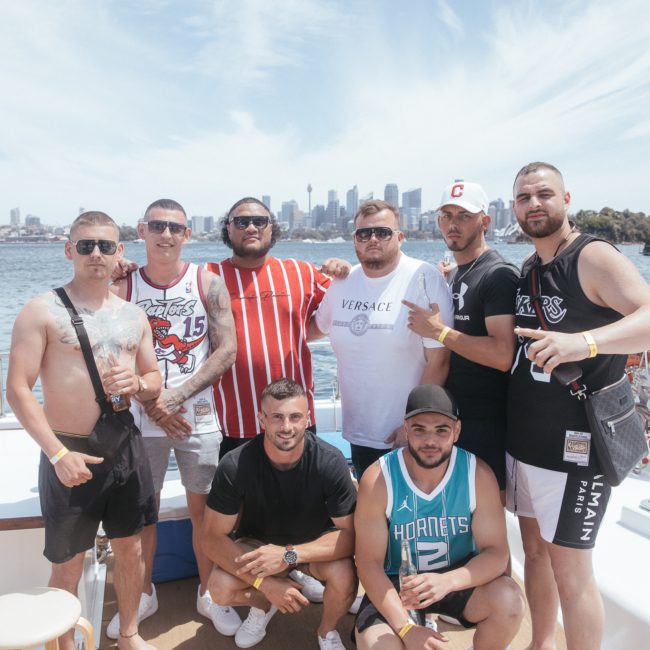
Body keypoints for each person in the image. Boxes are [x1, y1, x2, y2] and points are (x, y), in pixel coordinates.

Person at [507, 162, 650, 650]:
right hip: (527, 445)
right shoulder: (531, 267)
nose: (534, 204)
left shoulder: (591, 256)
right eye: (524, 197)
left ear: (567, 199)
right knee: (535, 554)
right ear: (514, 209)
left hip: (578, 450)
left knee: (572, 571)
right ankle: (541, 643)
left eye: (544, 194)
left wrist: (584, 343)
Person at [6, 211, 162, 650]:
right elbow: (18, 390)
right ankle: (65, 644)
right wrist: (57, 454)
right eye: (87, 244)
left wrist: (139, 384)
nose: (97, 254)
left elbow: (154, 380)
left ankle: (129, 633)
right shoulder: (41, 311)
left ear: (120, 254)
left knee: (131, 549)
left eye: (107, 246)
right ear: (69, 249)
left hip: (125, 446)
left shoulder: (134, 315)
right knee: (68, 561)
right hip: (68, 450)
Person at [107, 199, 238, 638]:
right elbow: (110, 352)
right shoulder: (121, 285)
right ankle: (144, 593)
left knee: (204, 511)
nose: (166, 235)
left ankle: (208, 591)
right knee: (145, 511)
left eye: (175, 228)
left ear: (187, 235)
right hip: (142, 415)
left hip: (196, 412)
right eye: (158, 226)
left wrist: (175, 396)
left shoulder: (207, 282)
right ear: (142, 230)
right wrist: (152, 404)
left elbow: (226, 349)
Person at [354, 384, 524, 649]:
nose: (430, 441)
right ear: (406, 429)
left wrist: (448, 581)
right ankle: (412, 623)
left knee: (509, 601)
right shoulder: (379, 479)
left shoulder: (477, 474)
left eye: (441, 430)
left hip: (454, 578)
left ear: (456, 431)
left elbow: (497, 553)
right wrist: (407, 629)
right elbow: (369, 564)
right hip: (397, 584)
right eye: (419, 429)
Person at [202, 379, 357, 649]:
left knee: (345, 576)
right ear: (262, 419)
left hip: (312, 548)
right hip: (258, 546)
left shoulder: (330, 462)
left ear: (308, 418)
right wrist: (264, 584)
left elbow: (352, 535)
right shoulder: (235, 465)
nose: (286, 427)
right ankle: (265, 605)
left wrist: (288, 555)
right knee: (219, 588)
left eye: (295, 417)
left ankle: (326, 631)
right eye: (277, 417)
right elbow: (212, 538)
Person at [309, 199, 454, 481]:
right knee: (372, 516)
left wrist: (415, 422)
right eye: (364, 233)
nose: (373, 239)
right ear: (355, 240)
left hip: (409, 435)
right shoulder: (342, 282)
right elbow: (314, 328)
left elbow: (440, 360)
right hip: (358, 431)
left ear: (400, 237)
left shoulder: (424, 278)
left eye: (383, 232)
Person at [404, 181, 518, 494]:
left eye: (464, 216)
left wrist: (438, 331)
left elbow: (502, 354)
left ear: (485, 221)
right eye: (446, 215)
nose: (453, 223)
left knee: (487, 515)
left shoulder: (499, 275)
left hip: (488, 422)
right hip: (453, 421)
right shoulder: (455, 274)